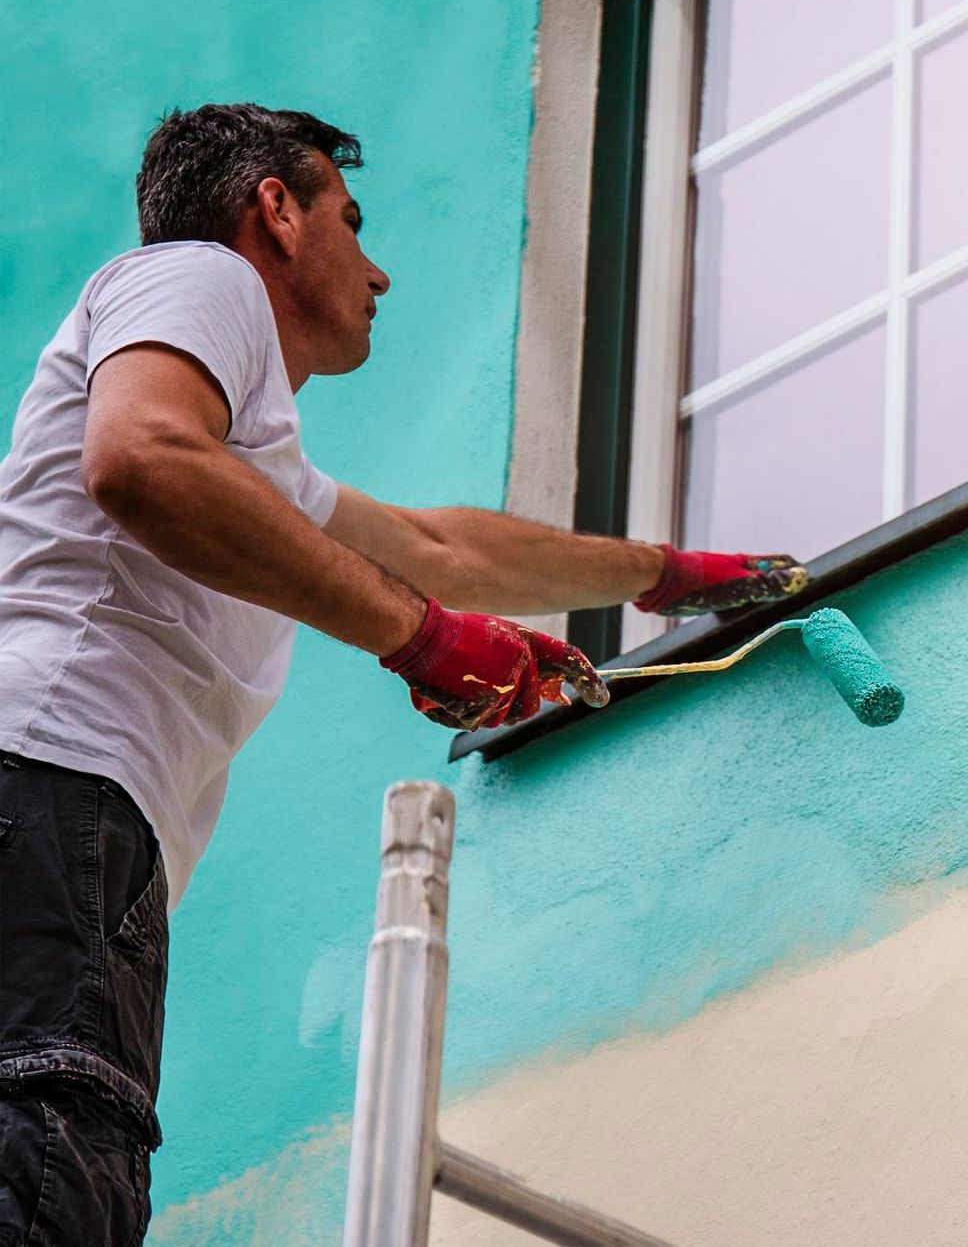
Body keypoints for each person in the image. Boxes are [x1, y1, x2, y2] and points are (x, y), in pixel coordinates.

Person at [0, 103, 807, 1243]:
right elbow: (141, 458)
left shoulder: (259, 461)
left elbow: (439, 549)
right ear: (275, 210)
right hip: (47, 786)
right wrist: (423, 639)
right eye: (351, 217)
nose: (377, 270)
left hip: (54, 815)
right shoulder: (197, 275)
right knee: (45, 1176)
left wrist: (662, 571)